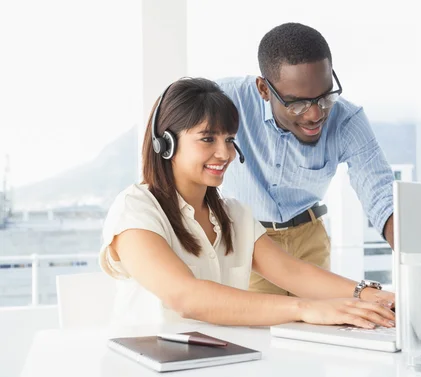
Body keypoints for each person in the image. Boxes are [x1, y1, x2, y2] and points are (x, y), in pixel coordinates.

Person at [98, 77, 395, 329]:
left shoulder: (232, 214)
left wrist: (370, 295)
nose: (224, 153)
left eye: (228, 139)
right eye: (207, 139)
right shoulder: (135, 210)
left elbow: (292, 273)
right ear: (166, 143)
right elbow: (186, 297)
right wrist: (304, 309)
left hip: (216, 362)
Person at [217, 23, 396, 296]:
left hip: (310, 238)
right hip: (246, 242)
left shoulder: (347, 120)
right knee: (257, 335)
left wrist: (418, 260)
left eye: (324, 97)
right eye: (297, 103)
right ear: (264, 89)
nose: (315, 115)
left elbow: (382, 194)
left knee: (318, 331)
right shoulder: (224, 101)